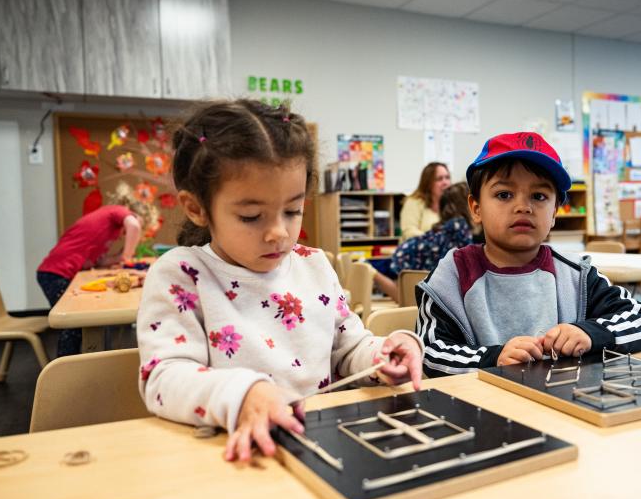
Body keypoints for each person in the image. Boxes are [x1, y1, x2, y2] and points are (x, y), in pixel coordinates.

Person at [137, 99, 423, 463]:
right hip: (231, 456)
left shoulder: (314, 265)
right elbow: (163, 379)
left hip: (320, 447)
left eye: (292, 211)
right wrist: (243, 395)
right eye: (252, 216)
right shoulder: (182, 275)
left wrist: (380, 355)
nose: (278, 233)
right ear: (197, 208)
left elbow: (346, 347)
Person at [415, 132, 641, 376]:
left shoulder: (575, 275)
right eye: (504, 194)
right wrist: (492, 358)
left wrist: (591, 333)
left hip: (562, 404)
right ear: (476, 208)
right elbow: (430, 352)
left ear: (554, 213)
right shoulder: (452, 275)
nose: (523, 206)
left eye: (539, 196)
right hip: (481, 405)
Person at [37, 189, 148, 357]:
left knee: (77, 325)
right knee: (74, 324)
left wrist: (118, 258)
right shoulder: (117, 210)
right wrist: (127, 257)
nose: (127, 234)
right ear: (131, 212)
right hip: (54, 273)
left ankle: (81, 364)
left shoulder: (109, 229)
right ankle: (66, 371)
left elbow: (100, 262)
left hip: (58, 273)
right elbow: (133, 225)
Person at [373, 182, 478, 303]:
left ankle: (371, 271)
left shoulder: (446, 228)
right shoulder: (461, 227)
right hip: (410, 278)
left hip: (408, 270)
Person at [400, 162, 451, 240]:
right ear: (428, 183)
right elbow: (409, 232)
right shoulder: (414, 202)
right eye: (439, 179)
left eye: (447, 177)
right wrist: (435, 240)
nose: (445, 182)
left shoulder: (452, 203)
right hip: (417, 250)